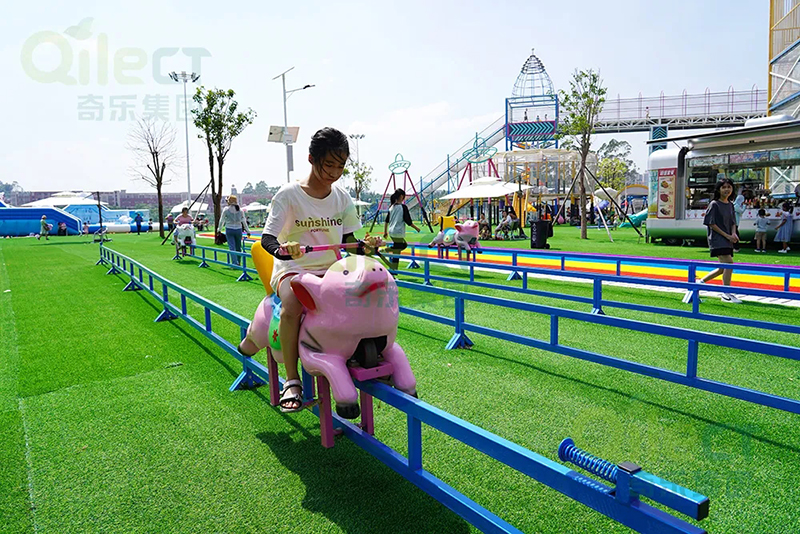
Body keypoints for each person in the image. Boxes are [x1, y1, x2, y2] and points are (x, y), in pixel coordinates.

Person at [238, 127, 381, 413]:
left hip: (332, 271)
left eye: (340, 166)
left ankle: (362, 353)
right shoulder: (288, 195)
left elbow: (350, 240)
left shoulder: (342, 197)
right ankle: (292, 380)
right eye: (328, 165)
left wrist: (367, 247)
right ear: (311, 159)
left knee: (366, 293)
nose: (334, 173)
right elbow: (267, 239)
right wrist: (283, 249)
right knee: (293, 303)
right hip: (293, 269)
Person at [683, 178, 741, 304]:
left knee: (722, 268)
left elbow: (733, 222)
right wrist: (727, 236)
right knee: (729, 264)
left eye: (729, 187)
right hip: (718, 239)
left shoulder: (730, 205)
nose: (727, 190)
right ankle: (725, 293)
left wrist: (733, 233)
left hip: (728, 239)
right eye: (724, 187)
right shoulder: (714, 204)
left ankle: (699, 283)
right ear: (718, 189)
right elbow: (711, 223)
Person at [383, 188, 421, 271]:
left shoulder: (391, 207)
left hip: (391, 232)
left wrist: (385, 232)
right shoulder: (403, 207)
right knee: (402, 247)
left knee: (397, 250)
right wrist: (416, 228)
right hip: (398, 232)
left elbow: (386, 221)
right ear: (401, 196)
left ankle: (394, 269)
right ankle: (386, 251)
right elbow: (408, 221)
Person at [219, 195, 250, 266]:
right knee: (238, 247)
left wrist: (219, 229)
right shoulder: (240, 210)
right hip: (238, 229)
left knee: (232, 247)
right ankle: (239, 262)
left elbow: (222, 220)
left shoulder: (226, 209)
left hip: (229, 229)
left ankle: (234, 263)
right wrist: (248, 231)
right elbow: (244, 221)